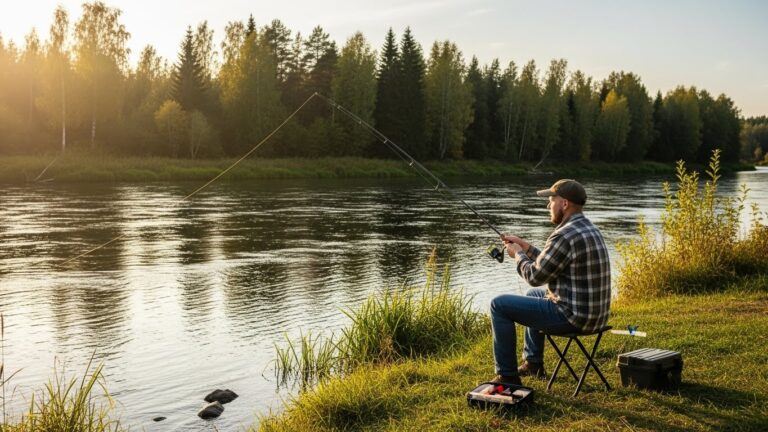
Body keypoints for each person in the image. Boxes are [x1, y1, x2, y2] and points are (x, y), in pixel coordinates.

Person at [490, 179, 611, 385]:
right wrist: (526, 247)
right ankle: (533, 363)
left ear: (564, 204)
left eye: (551, 199)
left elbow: (535, 277)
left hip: (574, 317)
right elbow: (553, 262)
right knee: (533, 296)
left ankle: (507, 376)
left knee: (499, 305)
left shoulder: (563, 235)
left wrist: (518, 255)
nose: (548, 205)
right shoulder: (587, 227)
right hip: (596, 316)